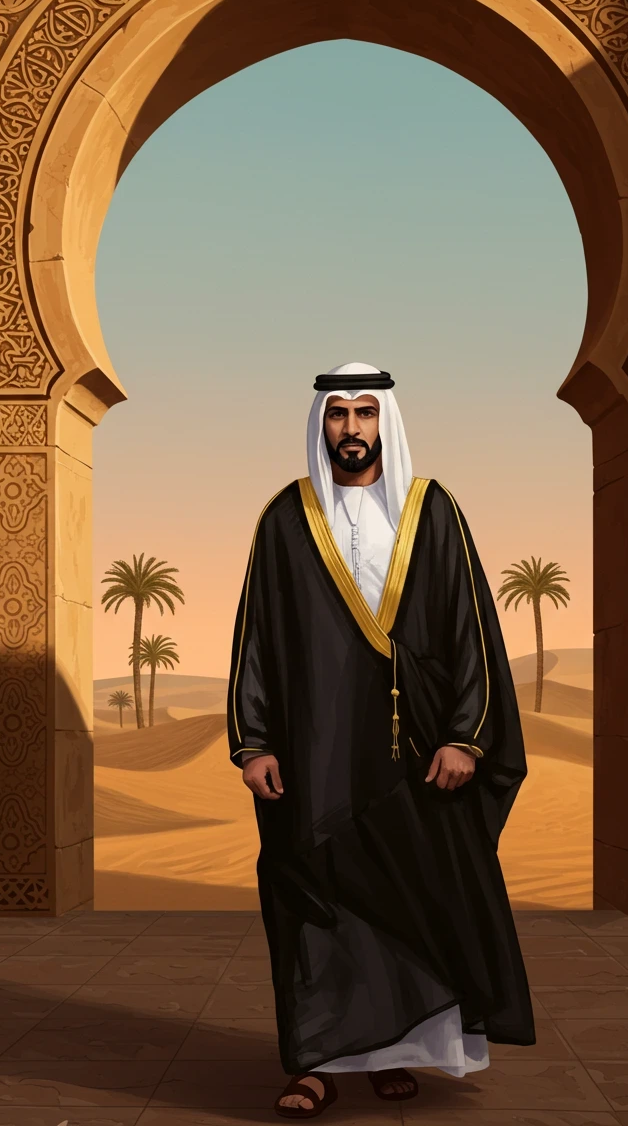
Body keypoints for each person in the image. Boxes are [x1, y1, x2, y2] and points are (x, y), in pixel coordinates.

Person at [227, 361, 535, 1118]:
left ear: (385, 423)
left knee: (415, 897)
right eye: (339, 415)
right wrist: (254, 740)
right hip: (315, 752)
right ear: (321, 424)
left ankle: (401, 1055)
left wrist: (466, 737)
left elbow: (472, 632)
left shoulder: (433, 512)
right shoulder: (285, 519)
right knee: (314, 902)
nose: (353, 429)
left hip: (418, 752)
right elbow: (257, 640)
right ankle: (316, 1061)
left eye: (366, 414)